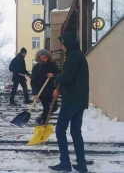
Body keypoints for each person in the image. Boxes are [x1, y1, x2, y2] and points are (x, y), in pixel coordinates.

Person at [48, 31, 89, 173]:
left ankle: (65, 162)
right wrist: (60, 89)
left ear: (67, 43)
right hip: (79, 100)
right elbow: (72, 79)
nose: (62, 46)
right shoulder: (78, 56)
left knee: (60, 130)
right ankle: (82, 164)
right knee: (76, 131)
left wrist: (57, 78)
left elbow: (66, 78)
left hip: (72, 100)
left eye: (63, 43)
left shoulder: (73, 57)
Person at [31, 49, 59, 125]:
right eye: (42, 57)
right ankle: (43, 122)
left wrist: (53, 75)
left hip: (51, 90)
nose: (43, 59)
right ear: (39, 57)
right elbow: (33, 81)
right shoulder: (36, 67)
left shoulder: (52, 65)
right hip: (41, 91)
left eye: (45, 57)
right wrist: (35, 93)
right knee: (46, 108)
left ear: (48, 56)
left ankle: (41, 118)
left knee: (54, 107)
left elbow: (59, 74)